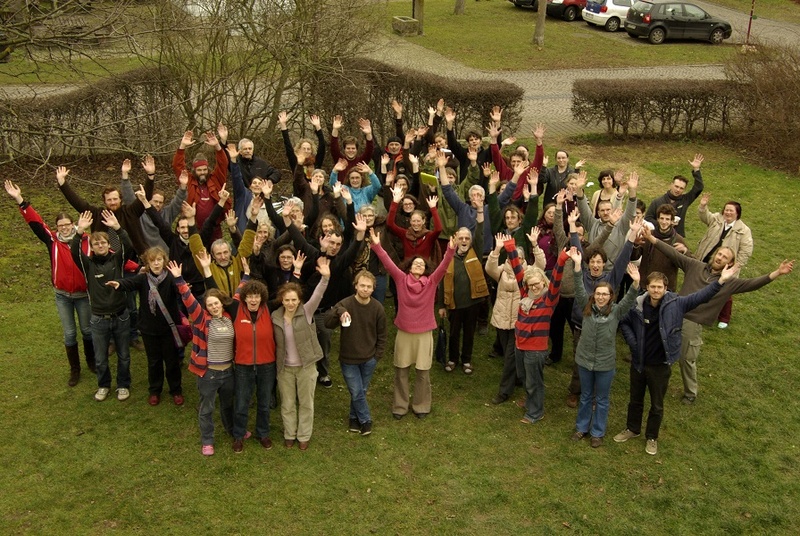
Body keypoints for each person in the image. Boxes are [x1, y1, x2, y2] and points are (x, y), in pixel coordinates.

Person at [643, 228, 794, 405]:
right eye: (719, 254)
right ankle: (651, 378)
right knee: (658, 345)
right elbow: (674, 254)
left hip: (693, 322)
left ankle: (690, 392)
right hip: (674, 313)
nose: (720, 258)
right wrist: (652, 239)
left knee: (686, 359)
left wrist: (776, 273)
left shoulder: (728, 283)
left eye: (725, 257)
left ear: (729, 264)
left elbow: (752, 284)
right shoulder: (695, 266)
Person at [615, 266, 738, 455]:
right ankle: (632, 429)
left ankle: (652, 437)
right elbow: (623, 321)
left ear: (666, 288)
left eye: (660, 287)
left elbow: (701, 296)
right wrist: (632, 343)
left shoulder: (677, 304)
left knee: (657, 404)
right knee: (635, 400)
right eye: (653, 287)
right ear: (646, 287)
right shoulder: (636, 304)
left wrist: (720, 281)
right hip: (639, 362)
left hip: (661, 365)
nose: (656, 290)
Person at [5, 179, 95, 386]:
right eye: (60, 225)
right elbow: (35, 222)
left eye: (67, 224)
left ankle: (91, 361)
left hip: (83, 295)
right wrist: (20, 199)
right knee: (70, 333)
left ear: (74, 224)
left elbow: (107, 253)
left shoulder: (87, 240)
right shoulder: (52, 240)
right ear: (56, 228)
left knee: (87, 330)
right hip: (62, 295)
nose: (64, 228)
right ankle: (75, 370)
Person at [370, 228, 456, 419]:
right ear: (409, 267)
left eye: (421, 264)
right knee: (401, 372)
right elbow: (388, 262)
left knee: (423, 372)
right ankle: (400, 406)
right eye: (415, 263)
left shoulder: (432, 282)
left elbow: (443, 266)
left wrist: (450, 250)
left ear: (425, 269)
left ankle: (421, 406)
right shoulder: (401, 280)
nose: (418, 265)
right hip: (404, 333)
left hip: (424, 334)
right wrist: (376, 245)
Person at [168, 260, 240, 456]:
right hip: (208, 373)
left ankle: (233, 430)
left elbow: (240, 293)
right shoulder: (201, 319)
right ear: (206, 307)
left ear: (221, 303)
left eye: (216, 303)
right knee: (206, 408)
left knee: (228, 405)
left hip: (228, 372)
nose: (214, 307)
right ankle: (207, 440)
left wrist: (248, 275)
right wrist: (179, 279)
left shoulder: (228, 316)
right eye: (210, 304)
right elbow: (188, 299)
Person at [570, 249, 640, 448]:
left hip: (605, 364)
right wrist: (577, 266)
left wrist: (635, 283)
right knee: (585, 396)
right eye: (598, 294)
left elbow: (629, 300)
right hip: (584, 361)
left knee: (601, 399)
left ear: (611, 297)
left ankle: (597, 432)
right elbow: (578, 286)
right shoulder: (586, 306)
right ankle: (581, 428)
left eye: (605, 295)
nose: (600, 297)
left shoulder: (617, 311)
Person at [106, 245, 184, 406]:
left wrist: (182, 285)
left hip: (169, 328)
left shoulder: (170, 278)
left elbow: (180, 292)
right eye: (152, 260)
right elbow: (130, 283)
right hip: (149, 329)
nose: (156, 263)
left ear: (164, 261)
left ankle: (176, 390)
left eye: (159, 260)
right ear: (147, 263)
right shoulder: (143, 278)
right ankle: (155, 390)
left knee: (172, 361)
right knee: (154, 361)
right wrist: (118, 284)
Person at [504, 235, 569, 425]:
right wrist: (510, 248)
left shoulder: (548, 299)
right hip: (520, 344)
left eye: (536, 284)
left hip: (535, 348)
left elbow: (556, 278)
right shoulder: (525, 294)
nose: (533, 287)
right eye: (530, 284)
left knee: (534, 381)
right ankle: (530, 400)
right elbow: (517, 270)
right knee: (524, 377)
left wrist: (562, 260)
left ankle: (535, 412)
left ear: (543, 282)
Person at [70, 209, 133, 402]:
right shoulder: (87, 264)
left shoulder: (117, 260)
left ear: (108, 245)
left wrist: (118, 228)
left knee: (124, 355)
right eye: (96, 243)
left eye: (103, 242)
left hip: (121, 315)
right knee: (100, 358)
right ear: (92, 247)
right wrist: (79, 232)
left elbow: (129, 247)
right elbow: (74, 252)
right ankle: (103, 385)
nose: (100, 245)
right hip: (98, 319)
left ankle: (123, 385)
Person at [271, 257, 331, 451]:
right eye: (287, 300)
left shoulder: (307, 311)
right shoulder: (275, 317)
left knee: (306, 403)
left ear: (299, 300)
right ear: (281, 300)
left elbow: (319, 294)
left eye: (294, 300)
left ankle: (304, 435)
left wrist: (325, 278)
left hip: (306, 367)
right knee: (287, 403)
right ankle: (290, 433)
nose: (290, 303)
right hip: (285, 368)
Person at [486, 230, 545, 405]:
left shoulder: (528, 272)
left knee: (511, 356)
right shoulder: (502, 270)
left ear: (523, 259)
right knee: (509, 354)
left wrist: (535, 245)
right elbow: (489, 268)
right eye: (513, 257)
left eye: (519, 257)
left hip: (519, 321)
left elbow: (541, 265)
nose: (515, 260)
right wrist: (496, 250)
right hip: (501, 317)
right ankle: (519, 378)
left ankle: (504, 391)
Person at [325, 270, 387, 436]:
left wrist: (377, 356)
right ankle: (366, 421)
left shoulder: (378, 308)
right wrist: (339, 312)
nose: (365, 289)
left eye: (369, 287)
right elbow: (327, 323)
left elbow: (382, 335)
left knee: (360, 391)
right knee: (357, 391)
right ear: (356, 286)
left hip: (369, 359)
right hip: (348, 359)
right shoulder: (345, 304)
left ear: (373, 288)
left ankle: (353, 418)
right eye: (362, 286)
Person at [694, 193, 753, 328]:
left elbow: (746, 251)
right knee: (702, 284)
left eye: (731, 210)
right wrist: (703, 206)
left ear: (737, 214)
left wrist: (736, 266)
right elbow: (705, 216)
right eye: (726, 209)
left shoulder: (744, 230)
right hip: (707, 259)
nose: (728, 212)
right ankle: (699, 307)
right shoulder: (716, 219)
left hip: (726, 266)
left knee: (725, 291)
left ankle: (724, 318)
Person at [438, 219, 487, 375]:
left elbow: (479, 235)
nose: (464, 241)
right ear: (455, 239)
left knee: (469, 332)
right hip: (454, 304)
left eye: (467, 238)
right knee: (453, 333)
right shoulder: (448, 257)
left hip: (473, 303)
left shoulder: (476, 252)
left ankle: (466, 360)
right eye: (461, 238)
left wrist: (479, 218)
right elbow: (441, 282)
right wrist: (441, 306)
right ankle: (453, 359)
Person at [171, 126, 230, 236]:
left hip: (214, 229)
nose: (202, 172)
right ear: (194, 170)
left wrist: (217, 146)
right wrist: (182, 146)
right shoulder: (188, 180)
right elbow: (177, 165)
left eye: (204, 169)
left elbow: (223, 164)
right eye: (199, 170)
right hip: (193, 228)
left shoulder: (216, 179)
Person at [644, 153, 704, 237]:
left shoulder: (685, 200)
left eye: (681, 188)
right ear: (671, 185)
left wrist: (696, 169)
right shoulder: (657, 202)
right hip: (659, 236)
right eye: (676, 186)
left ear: (684, 189)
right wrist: (664, 222)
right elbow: (647, 219)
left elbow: (699, 187)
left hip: (677, 237)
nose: (678, 190)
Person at [329, 115, 374, 184]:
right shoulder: (340, 161)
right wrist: (335, 129)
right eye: (348, 148)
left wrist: (368, 134)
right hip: (342, 192)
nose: (351, 150)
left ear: (356, 150)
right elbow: (333, 147)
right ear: (344, 149)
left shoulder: (361, 161)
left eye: (353, 148)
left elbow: (369, 149)